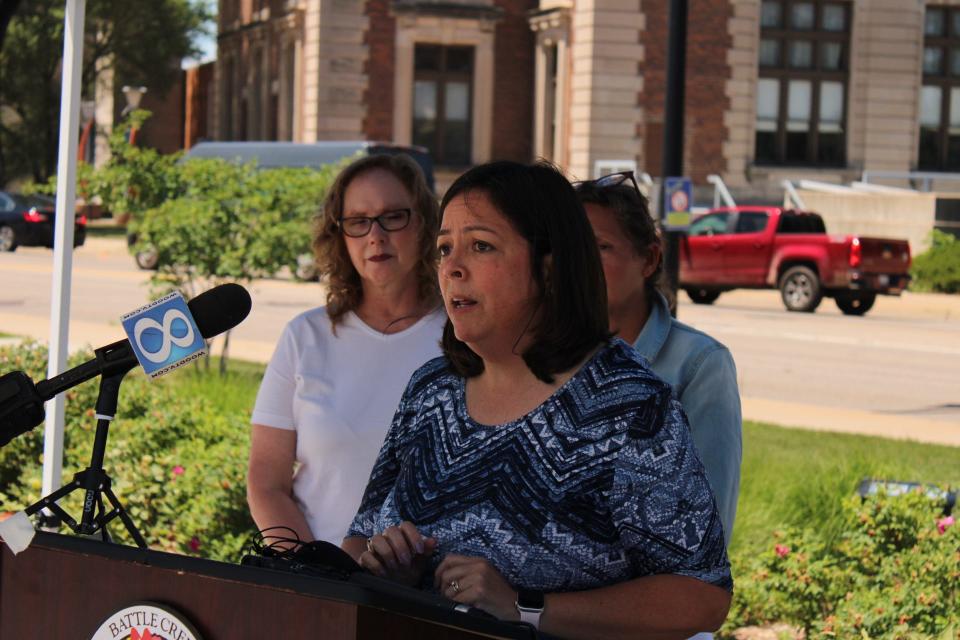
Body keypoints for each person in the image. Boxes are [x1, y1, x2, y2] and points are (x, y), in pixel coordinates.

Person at [343, 161, 732, 639]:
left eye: (481, 246)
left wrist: (525, 607)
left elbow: (700, 595)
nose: (453, 267)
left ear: (549, 266)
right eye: (445, 248)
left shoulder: (627, 405)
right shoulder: (431, 390)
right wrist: (388, 569)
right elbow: (358, 538)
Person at [247, 154, 446, 546]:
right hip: (321, 587)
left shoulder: (462, 336)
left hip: (429, 591)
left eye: (393, 217)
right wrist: (311, 571)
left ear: (423, 224)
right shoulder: (305, 337)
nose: (376, 236)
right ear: (339, 236)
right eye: (358, 221)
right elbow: (266, 483)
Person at [575, 173, 742, 547]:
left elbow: (706, 534)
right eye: (570, 248)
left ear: (649, 259)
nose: (580, 265)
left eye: (600, 247)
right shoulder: (546, 354)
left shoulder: (699, 365)